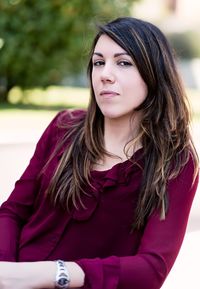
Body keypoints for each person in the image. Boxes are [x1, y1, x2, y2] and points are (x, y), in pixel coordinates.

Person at [0, 16, 199, 289]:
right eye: (98, 62)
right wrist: (6, 271)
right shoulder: (63, 128)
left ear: (154, 74)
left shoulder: (174, 161)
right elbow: (12, 212)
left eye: (123, 62)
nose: (105, 73)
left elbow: (152, 268)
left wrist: (51, 274)